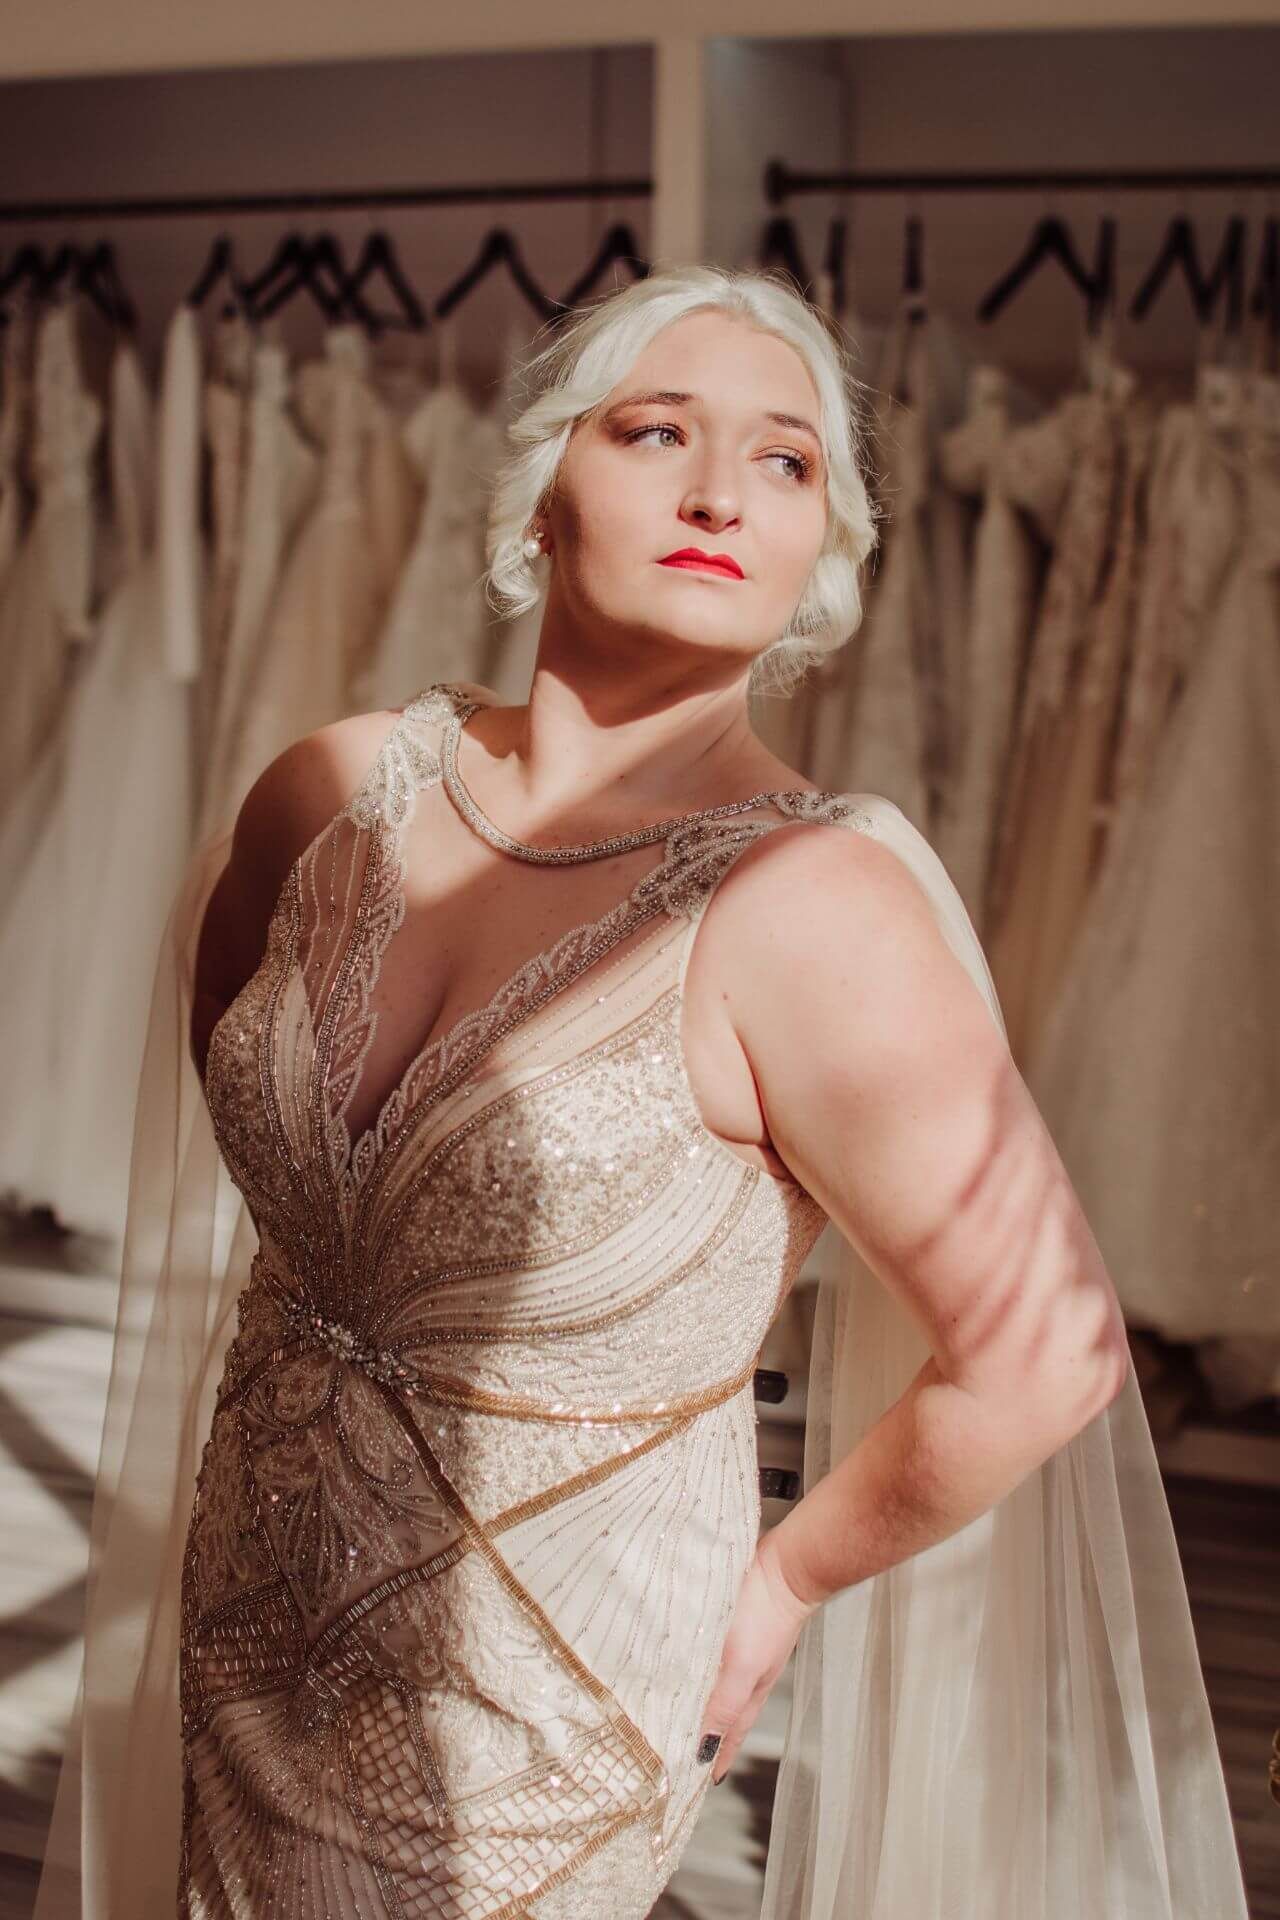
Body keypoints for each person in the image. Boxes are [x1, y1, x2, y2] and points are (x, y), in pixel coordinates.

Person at [34, 265, 1248, 1919]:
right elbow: (251, 1099)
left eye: (784, 461)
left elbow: (1046, 1354)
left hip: (544, 1682)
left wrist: (787, 1583)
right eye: (658, 430)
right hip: (254, 1608)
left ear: (822, 553)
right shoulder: (327, 792)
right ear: (540, 495)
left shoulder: (815, 910)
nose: (714, 494)